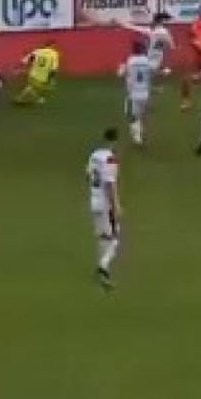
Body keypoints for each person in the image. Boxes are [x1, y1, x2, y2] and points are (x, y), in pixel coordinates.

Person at [86, 127, 122, 291]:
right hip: (105, 204)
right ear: (115, 141)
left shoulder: (94, 155)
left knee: (103, 237)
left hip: (94, 201)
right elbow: (110, 184)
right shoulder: (111, 159)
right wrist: (116, 205)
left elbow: (88, 176)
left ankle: (101, 269)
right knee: (115, 238)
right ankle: (103, 267)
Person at [117, 41, 152, 146]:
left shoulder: (130, 61)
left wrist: (122, 66)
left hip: (133, 94)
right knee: (139, 115)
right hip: (145, 93)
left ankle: (138, 136)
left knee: (131, 115)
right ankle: (139, 130)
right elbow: (152, 71)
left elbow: (120, 74)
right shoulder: (147, 61)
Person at [15, 40, 60, 105]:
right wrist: (52, 78)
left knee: (33, 87)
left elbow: (26, 59)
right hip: (43, 75)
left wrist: (21, 65)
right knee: (34, 87)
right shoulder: (54, 54)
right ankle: (21, 98)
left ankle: (35, 98)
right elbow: (54, 67)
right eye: (54, 45)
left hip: (33, 73)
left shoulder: (38, 51)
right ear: (52, 45)